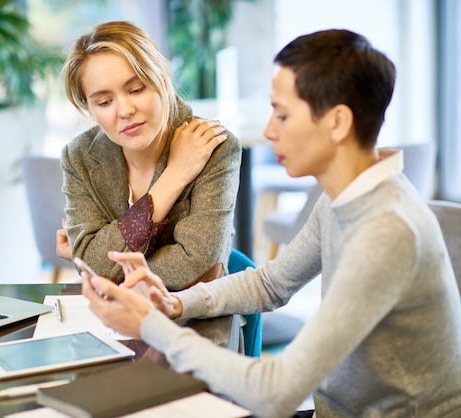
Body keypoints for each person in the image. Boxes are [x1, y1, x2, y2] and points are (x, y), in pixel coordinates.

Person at [81, 29, 461, 417]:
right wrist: (174, 303)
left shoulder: (386, 231)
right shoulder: (345, 198)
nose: (268, 131)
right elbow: (272, 282)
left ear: (337, 122)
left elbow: (276, 391)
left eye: (282, 114)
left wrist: (150, 325)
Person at [56, 21, 242, 290]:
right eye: (105, 102)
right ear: (89, 107)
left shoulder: (214, 146)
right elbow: (90, 261)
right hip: (117, 321)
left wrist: (107, 274)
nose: (125, 110)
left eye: (136, 89)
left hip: (199, 316)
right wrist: (174, 176)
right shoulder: (79, 156)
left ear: (163, 78)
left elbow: (196, 263)